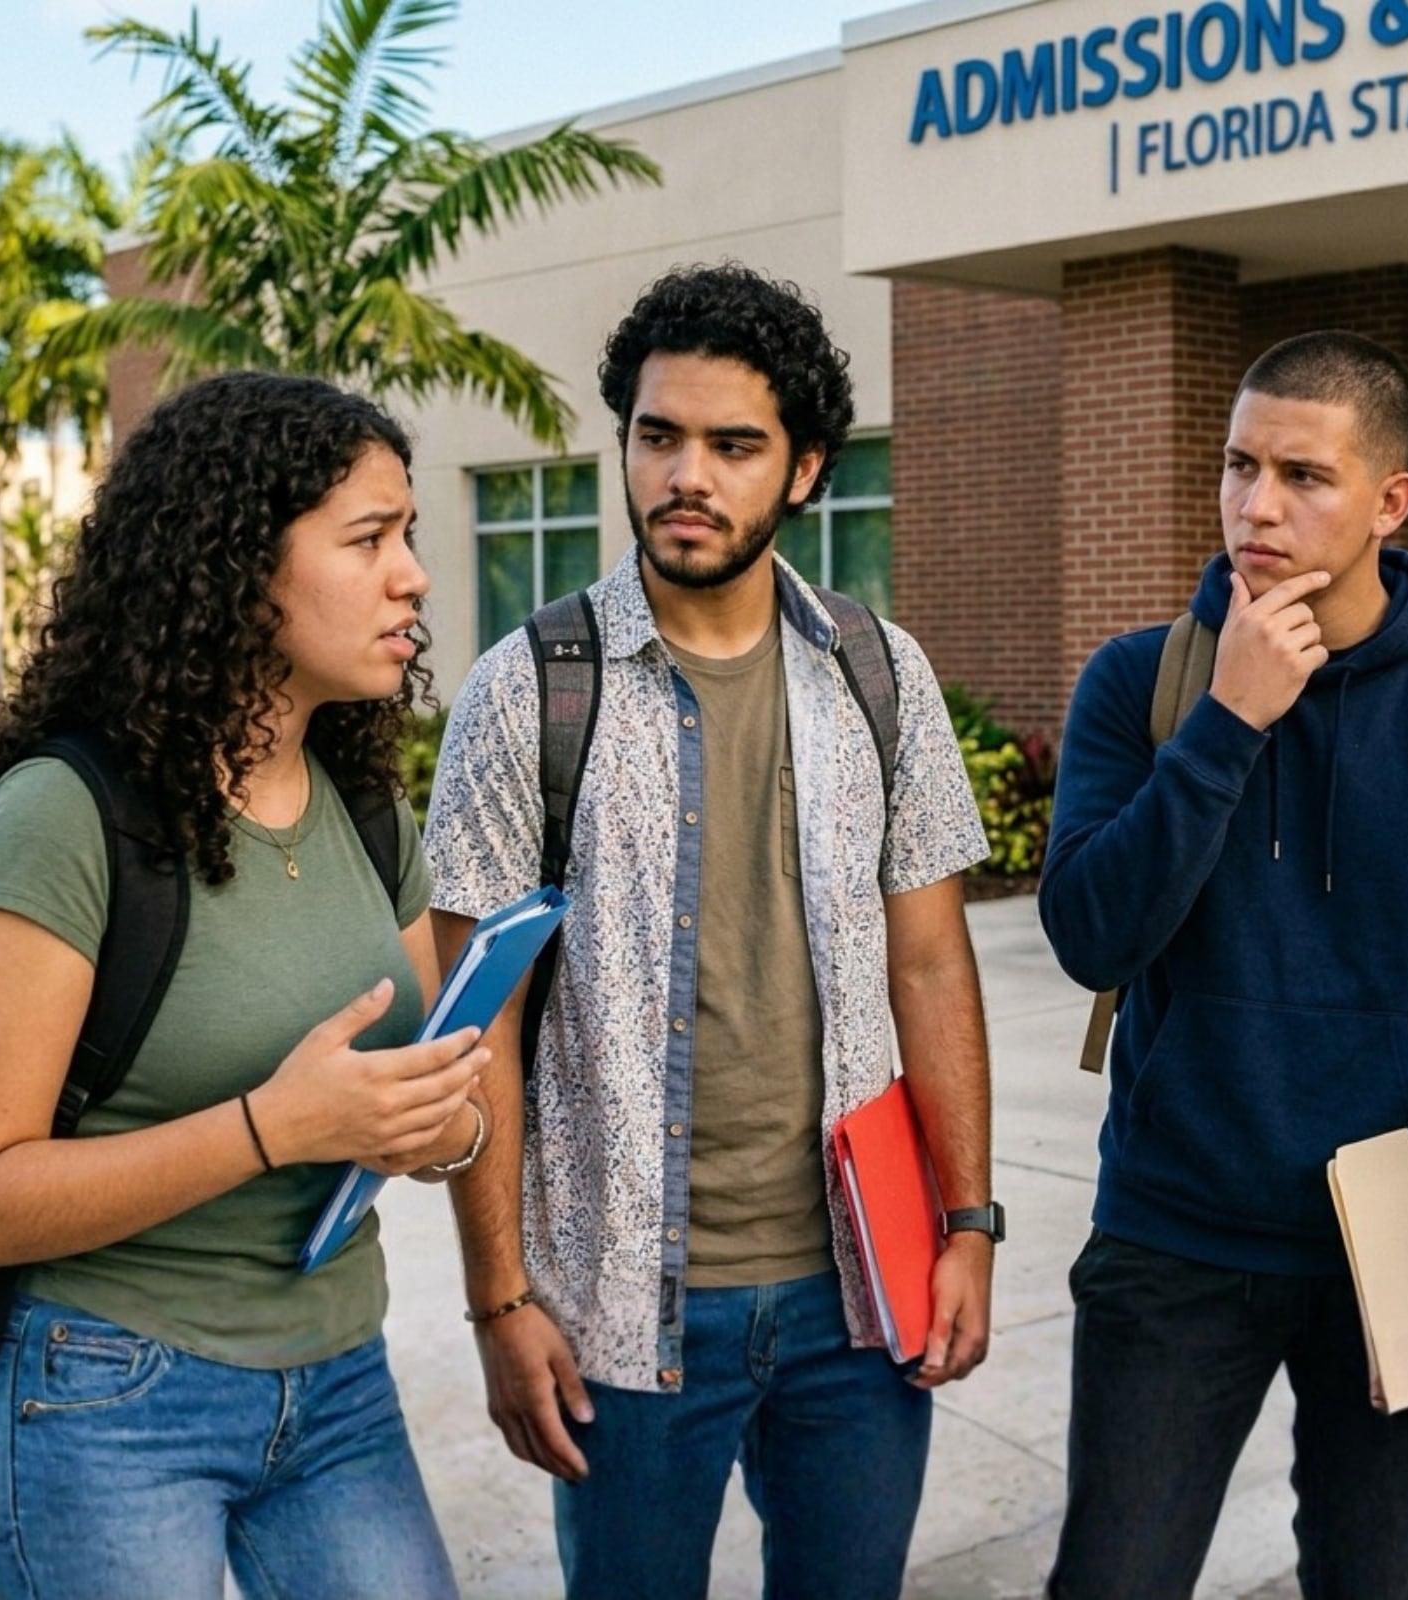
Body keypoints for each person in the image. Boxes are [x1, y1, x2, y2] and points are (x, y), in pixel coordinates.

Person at [425, 262, 996, 1599]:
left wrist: (968, 1220)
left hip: (859, 1297)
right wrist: (501, 1301)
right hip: (622, 1309)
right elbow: (477, 1028)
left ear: (803, 472)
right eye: (658, 435)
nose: (688, 474)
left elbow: (931, 961)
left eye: (734, 445)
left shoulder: (879, 670)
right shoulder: (528, 692)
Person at [1038, 331, 1408, 1599]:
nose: (1258, 506)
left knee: (1363, 1576)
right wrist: (1228, 722)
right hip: (1173, 1233)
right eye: (1239, 467)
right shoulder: (1146, 683)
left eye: (1303, 475)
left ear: (1392, 501)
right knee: (1112, 1579)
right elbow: (1090, 936)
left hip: (1398, 1241)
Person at [0, 371, 483, 1600]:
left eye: (411, 535)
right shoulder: (65, 819)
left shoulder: (368, 806)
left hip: (340, 1380)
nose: (414, 577)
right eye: (369, 539)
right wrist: (275, 1127)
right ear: (239, 569)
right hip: (111, 1391)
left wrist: (444, 1120)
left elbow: (432, 1107)